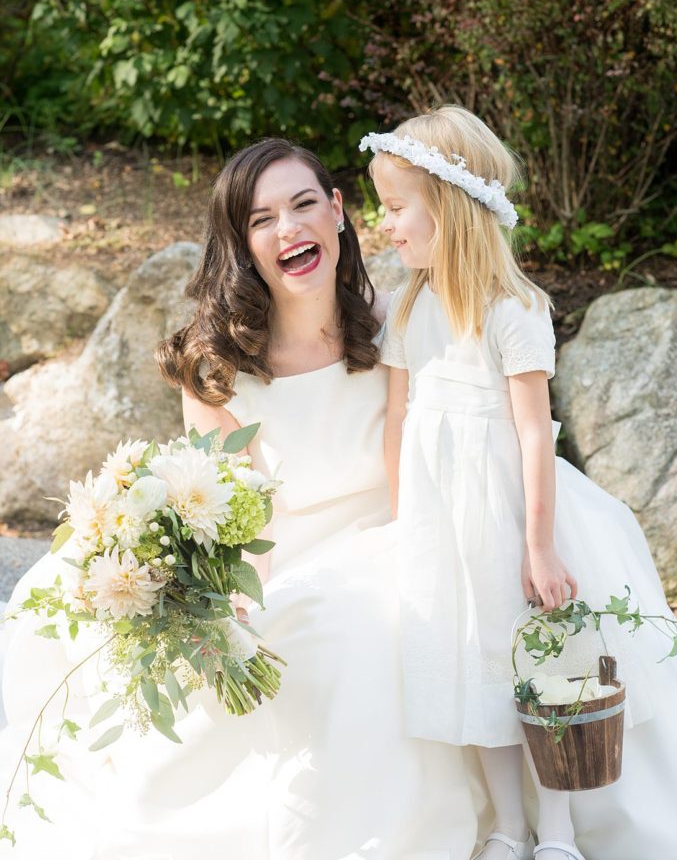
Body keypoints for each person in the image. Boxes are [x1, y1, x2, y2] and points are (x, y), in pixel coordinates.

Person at [0, 138, 489, 859]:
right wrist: (230, 608)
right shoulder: (218, 364)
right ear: (242, 243)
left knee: (370, 629)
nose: (288, 229)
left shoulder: (396, 322)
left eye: (302, 205)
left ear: (338, 212)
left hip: (391, 530)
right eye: (262, 220)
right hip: (279, 553)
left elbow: (414, 455)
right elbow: (233, 512)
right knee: (289, 642)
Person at [360, 106, 677, 860]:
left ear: (447, 207)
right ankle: (507, 824)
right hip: (441, 523)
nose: (386, 225)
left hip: (508, 514)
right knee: (470, 672)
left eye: (397, 208)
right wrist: (403, 518)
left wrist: (537, 546)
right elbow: (397, 418)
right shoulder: (410, 309)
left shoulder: (513, 311)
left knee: (540, 670)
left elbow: (536, 432)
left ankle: (559, 830)